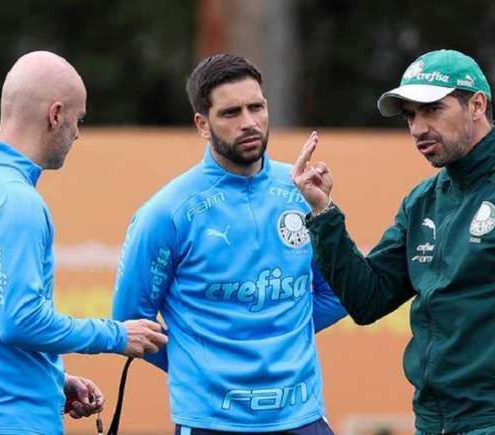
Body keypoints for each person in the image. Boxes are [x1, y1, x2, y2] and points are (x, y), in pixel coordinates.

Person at [291, 49, 495, 435]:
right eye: (410, 115)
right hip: (434, 422)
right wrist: (323, 214)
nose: (418, 128)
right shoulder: (424, 200)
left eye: (432, 110)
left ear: (476, 105)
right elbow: (368, 299)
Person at [0, 51, 168, 435]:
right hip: (10, 423)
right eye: (78, 119)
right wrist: (118, 335)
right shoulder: (16, 200)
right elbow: (20, 320)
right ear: (55, 114)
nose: (77, 133)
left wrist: (51, 380)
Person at [112, 54, 346, 434]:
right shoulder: (166, 212)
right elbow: (129, 319)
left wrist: (278, 335)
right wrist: (201, 359)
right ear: (203, 125)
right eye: (231, 113)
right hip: (210, 422)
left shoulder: (302, 189)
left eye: (257, 107)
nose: (249, 122)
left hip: (302, 418)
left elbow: (337, 290)